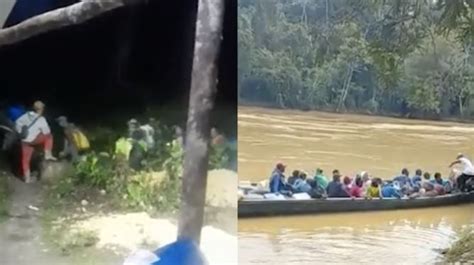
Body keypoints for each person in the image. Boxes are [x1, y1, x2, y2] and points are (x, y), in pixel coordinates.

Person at [15, 101, 56, 183]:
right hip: (34, 140)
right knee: (49, 136)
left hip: (25, 141)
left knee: (25, 160)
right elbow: (46, 132)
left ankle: (27, 178)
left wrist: (21, 133)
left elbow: (17, 123)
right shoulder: (41, 119)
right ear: (41, 109)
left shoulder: (25, 116)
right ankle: (48, 154)